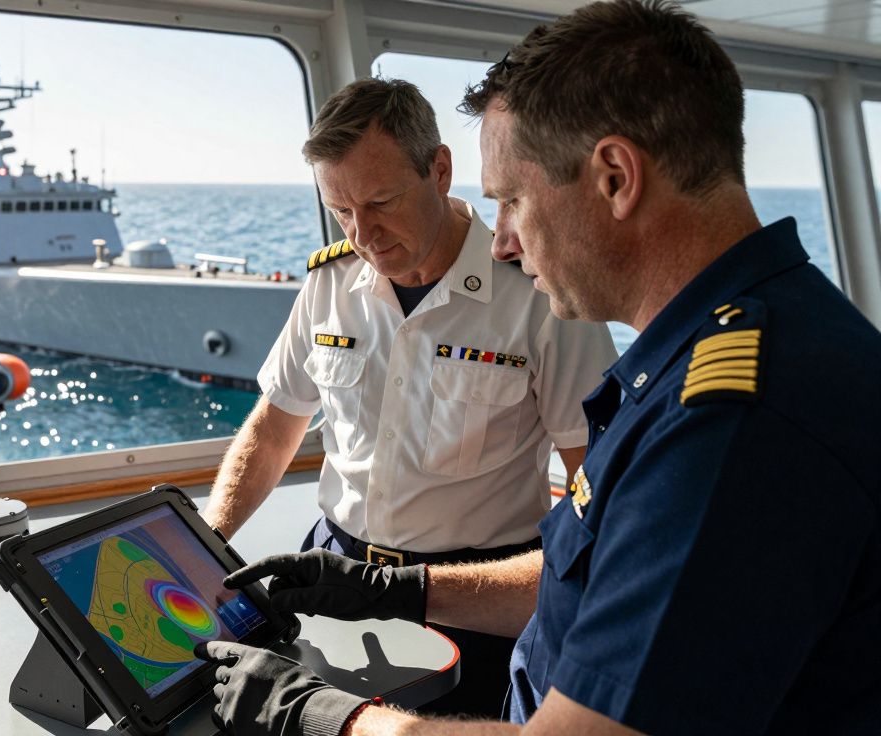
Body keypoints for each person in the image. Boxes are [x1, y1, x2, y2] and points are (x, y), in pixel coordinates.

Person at [194, 1, 881, 734]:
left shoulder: (731, 425)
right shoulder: (717, 355)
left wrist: (331, 718)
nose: (502, 242)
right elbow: (588, 579)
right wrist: (394, 589)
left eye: (512, 201)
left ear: (615, 177)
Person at [200, 78, 617, 717]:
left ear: (440, 169)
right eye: (342, 211)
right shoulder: (330, 283)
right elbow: (275, 427)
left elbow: (593, 484)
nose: (363, 233)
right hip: (330, 576)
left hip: (469, 594)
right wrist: (206, 546)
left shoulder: (539, 291)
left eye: (382, 201)